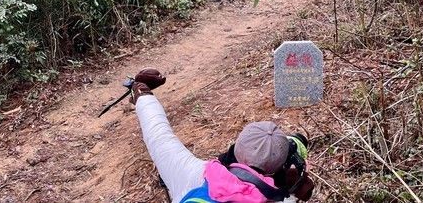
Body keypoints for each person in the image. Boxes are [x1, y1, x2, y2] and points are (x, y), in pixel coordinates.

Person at [130, 68, 315, 203]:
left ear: (237, 151)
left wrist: (142, 91)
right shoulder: (275, 196)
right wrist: (292, 186)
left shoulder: (190, 172)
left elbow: (158, 133)